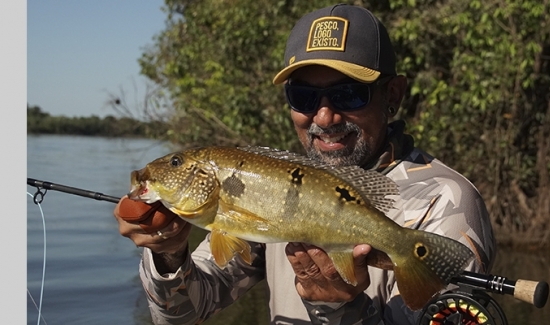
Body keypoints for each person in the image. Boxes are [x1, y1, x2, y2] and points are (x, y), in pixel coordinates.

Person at [114, 3, 496, 325]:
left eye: (348, 94)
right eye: (304, 96)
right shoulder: (266, 188)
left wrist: (340, 308)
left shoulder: (445, 200)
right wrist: (169, 252)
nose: (325, 117)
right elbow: (182, 313)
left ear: (392, 94)